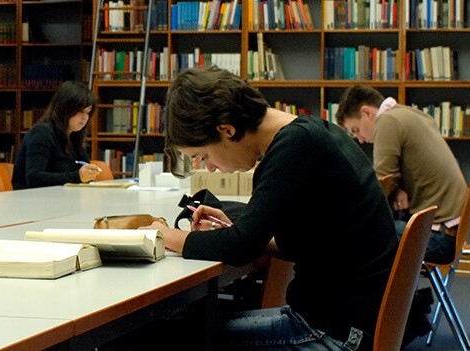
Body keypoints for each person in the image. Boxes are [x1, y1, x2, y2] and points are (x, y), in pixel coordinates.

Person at [141, 66, 398, 351]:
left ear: (226, 129)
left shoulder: (293, 147)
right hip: (352, 321)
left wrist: (164, 235)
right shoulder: (315, 131)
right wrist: (242, 228)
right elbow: (303, 243)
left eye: (203, 155)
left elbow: (241, 248)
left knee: (164, 338)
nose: (210, 167)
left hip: (330, 332)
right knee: (185, 326)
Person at [335, 85, 468, 264]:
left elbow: (380, 184)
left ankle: (381, 293)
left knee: (355, 232)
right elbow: (396, 178)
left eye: (356, 130)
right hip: (454, 231)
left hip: (438, 237)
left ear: (367, 113)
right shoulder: (412, 114)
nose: (360, 139)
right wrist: (398, 188)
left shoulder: (386, 121)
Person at [12, 80, 101, 189]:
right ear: (64, 109)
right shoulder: (42, 133)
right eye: (80, 111)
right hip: (32, 201)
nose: (85, 118)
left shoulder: (73, 135)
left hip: (60, 199)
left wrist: (88, 173)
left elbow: (82, 167)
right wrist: (77, 176)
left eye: (88, 112)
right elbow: (34, 177)